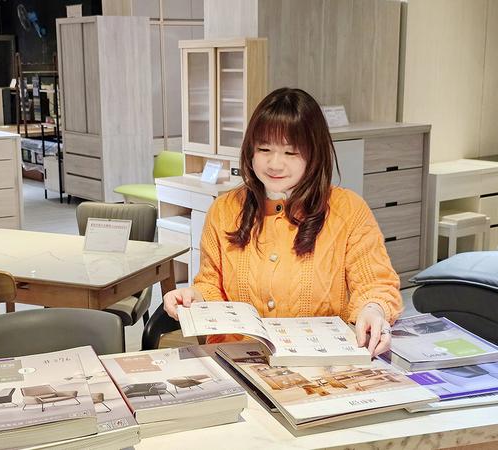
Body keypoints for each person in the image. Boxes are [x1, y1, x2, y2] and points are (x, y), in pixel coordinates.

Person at [163, 87, 402, 357]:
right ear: (250, 151)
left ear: (314, 153)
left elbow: (375, 284)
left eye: (290, 152)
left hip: (318, 361)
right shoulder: (225, 210)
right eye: (264, 149)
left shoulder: (348, 210)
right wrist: (194, 297)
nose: (275, 164)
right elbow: (211, 284)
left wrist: (373, 309)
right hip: (240, 358)